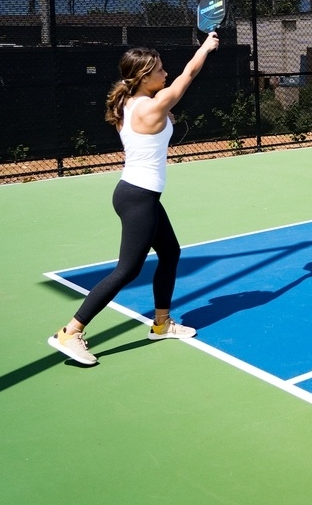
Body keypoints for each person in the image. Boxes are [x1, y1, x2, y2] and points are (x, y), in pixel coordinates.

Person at [48, 34, 219, 365]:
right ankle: (71, 332)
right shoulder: (152, 107)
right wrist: (206, 47)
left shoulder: (127, 103)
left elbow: (176, 81)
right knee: (127, 270)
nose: (166, 73)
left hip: (138, 194)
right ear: (144, 77)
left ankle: (161, 323)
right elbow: (189, 75)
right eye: (159, 70)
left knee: (170, 252)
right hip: (138, 197)